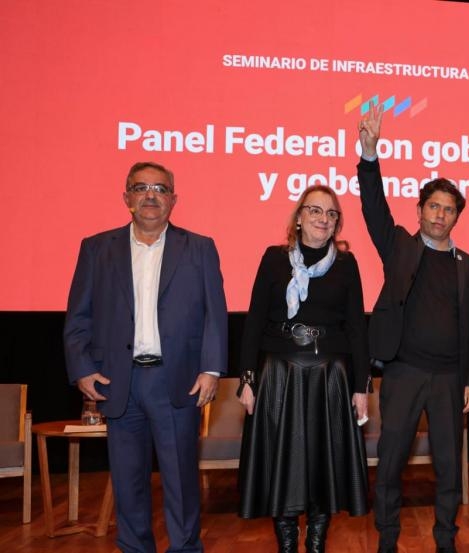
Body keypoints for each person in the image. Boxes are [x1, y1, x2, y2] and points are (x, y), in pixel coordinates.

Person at [63, 161, 228, 553]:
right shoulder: (97, 248)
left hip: (177, 380)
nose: (150, 195)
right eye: (141, 188)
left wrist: (211, 368)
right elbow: (78, 316)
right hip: (119, 381)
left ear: (173, 199)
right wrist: (82, 368)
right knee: (127, 481)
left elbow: (215, 315)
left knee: (181, 480)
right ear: (127, 197)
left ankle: (185, 548)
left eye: (160, 188)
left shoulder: (200, 248)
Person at [356, 104, 469, 553]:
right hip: (404, 372)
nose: (440, 215)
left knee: (449, 468)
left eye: (449, 210)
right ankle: (387, 540)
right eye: (434, 206)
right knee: (391, 462)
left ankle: (445, 540)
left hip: (450, 378)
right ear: (419, 210)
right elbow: (373, 207)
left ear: (456, 217)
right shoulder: (399, 247)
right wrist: (369, 155)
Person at [236, 185, 370, 553]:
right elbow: (254, 320)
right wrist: (247, 378)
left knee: (323, 464)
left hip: (331, 378)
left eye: (331, 213)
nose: (323, 219)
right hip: (278, 375)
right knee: (282, 464)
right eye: (315, 210)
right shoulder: (273, 258)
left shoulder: (346, 264)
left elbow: (357, 328)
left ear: (337, 223)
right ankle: (286, 543)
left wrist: (361, 387)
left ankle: (315, 543)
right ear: (299, 217)